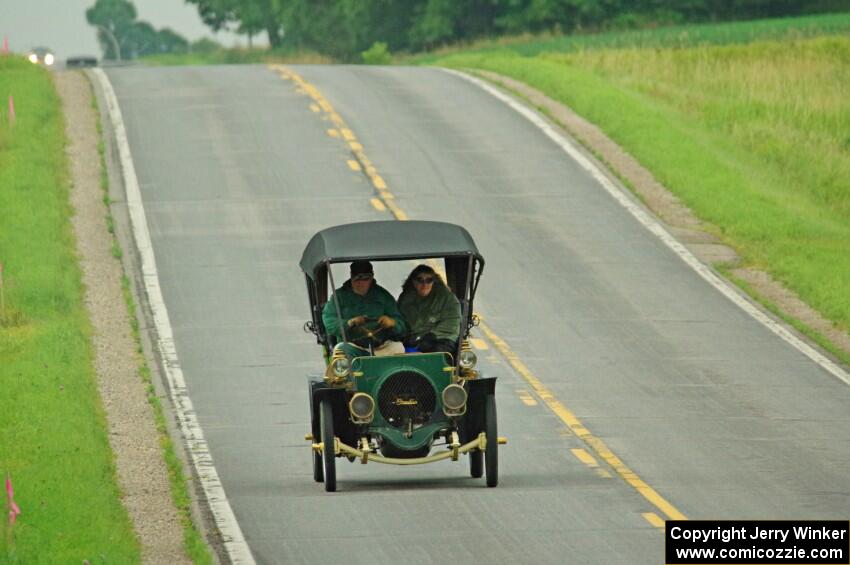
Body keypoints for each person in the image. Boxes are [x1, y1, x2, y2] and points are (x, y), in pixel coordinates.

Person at [322, 260, 406, 356]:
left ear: (372, 277)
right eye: (357, 279)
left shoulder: (383, 296)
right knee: (341, 350)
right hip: (352, 347)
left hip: (381, 348)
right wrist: (349, 323)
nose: (361, 283)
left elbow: (402, 326)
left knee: (398, 347)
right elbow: (329, 320)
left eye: (365, 279)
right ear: (351, 277)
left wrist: (392, 322)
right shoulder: (339, 297)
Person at [397, 265, 461, 354]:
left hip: (441, 339)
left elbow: (450, 324)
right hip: (413, 340)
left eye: (429, 280)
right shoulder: (406, 298)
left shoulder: (447, 298)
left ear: (434, 281)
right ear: (413, 281)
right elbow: (400, 321)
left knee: (435, 355)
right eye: (420, 280)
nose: (424, 284)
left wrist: (430, 337)